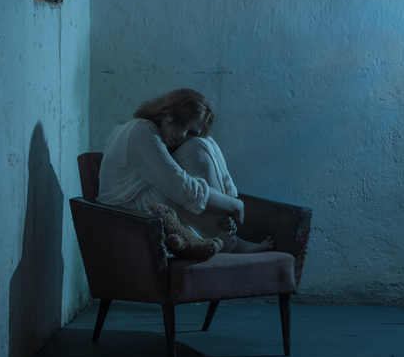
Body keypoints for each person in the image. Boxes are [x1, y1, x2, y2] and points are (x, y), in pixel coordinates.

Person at [97, 88, 274, 254]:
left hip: (141, 207)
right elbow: (182, 190)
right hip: (127, 214)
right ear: (165, 111)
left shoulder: (153, 133)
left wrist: (227, 205)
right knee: (199, 149)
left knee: (204, 142)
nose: (182, 134)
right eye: (181, 122)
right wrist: (235, 205)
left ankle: (226, 231)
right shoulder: (141, 130)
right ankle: (230, 241)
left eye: (190, 131)